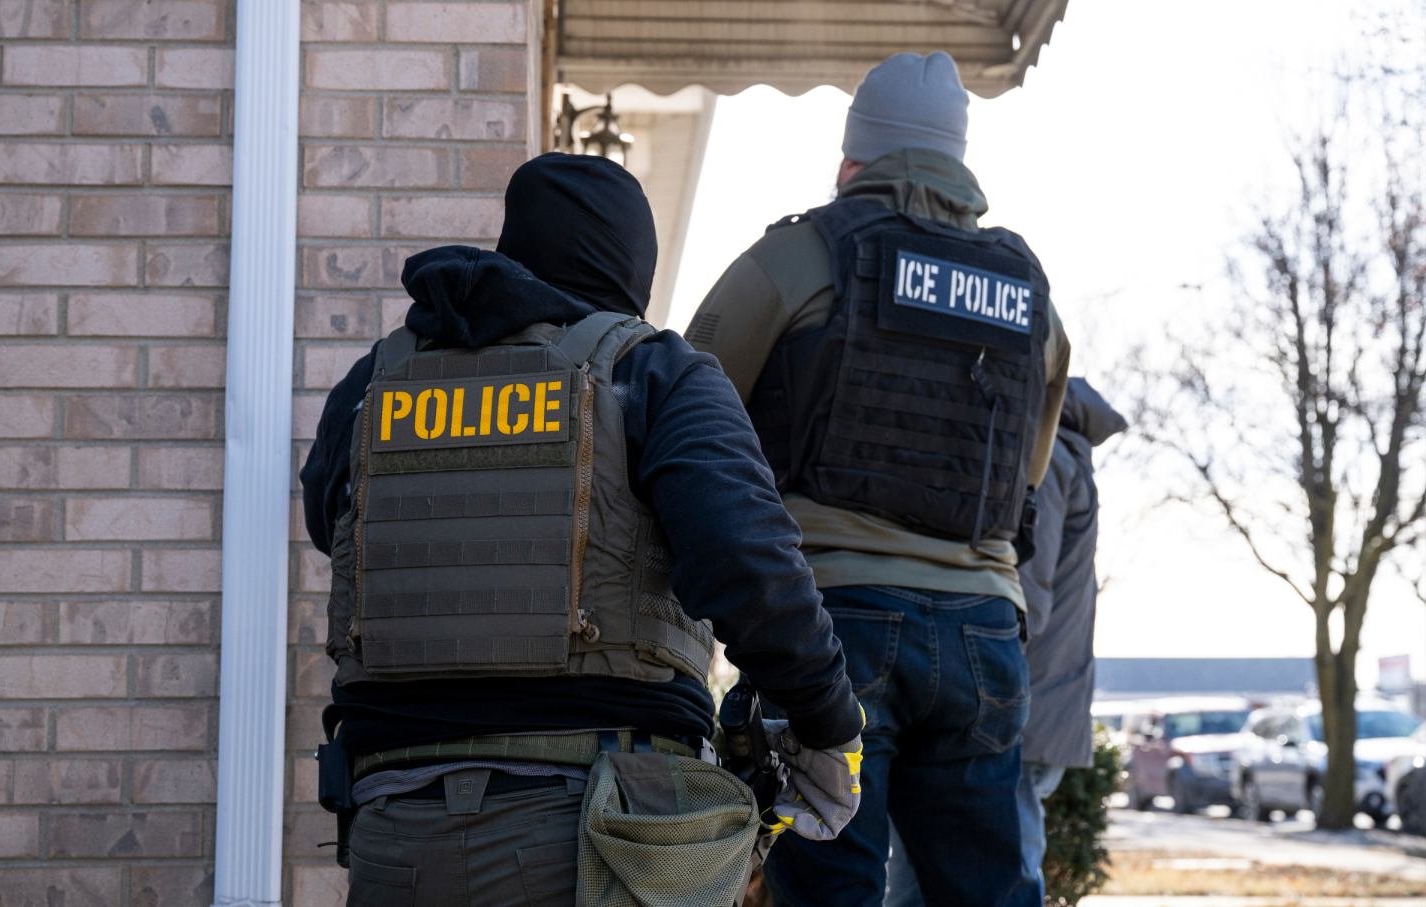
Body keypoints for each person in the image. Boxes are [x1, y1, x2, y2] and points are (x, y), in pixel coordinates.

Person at [301, 153, 864, 906]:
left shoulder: (372, 383)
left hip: (393, 828)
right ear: (632, 267)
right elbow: (752, 564)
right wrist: (829, 721)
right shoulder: (652, 370)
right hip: (598, 831)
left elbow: (325, 519)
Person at [685, 52, 1071, 906]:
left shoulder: (799, 257)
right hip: (983, 634)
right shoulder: (1029, 293)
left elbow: (683, 408)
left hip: (829, 629)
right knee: (988, 891)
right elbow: (1028, 472)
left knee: (831, 890)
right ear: (957, 160)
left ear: (852, 157)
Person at [885, 377, 1126, 905]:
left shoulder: (1047, 455)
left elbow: (1025, 594)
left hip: (1010, 706)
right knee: (935, 871)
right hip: (1023, 699)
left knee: (988, 871)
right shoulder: (1054, 448)